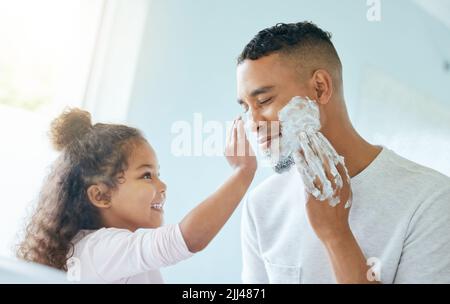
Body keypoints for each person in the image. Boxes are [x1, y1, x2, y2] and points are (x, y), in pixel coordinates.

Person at [237, 21, 450, 284]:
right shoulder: (260, 205)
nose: (252, 122)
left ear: (320, 88)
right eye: (245, 108)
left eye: (264, 101)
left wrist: (336, 235)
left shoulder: (431, 200)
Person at [17, 108, 256, 283]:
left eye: (157, 174)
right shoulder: (97, 249)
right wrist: (243, 173)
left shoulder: (112, 252)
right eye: (146, 175)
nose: (162, 185)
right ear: (101, 195)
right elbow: (186, 239)